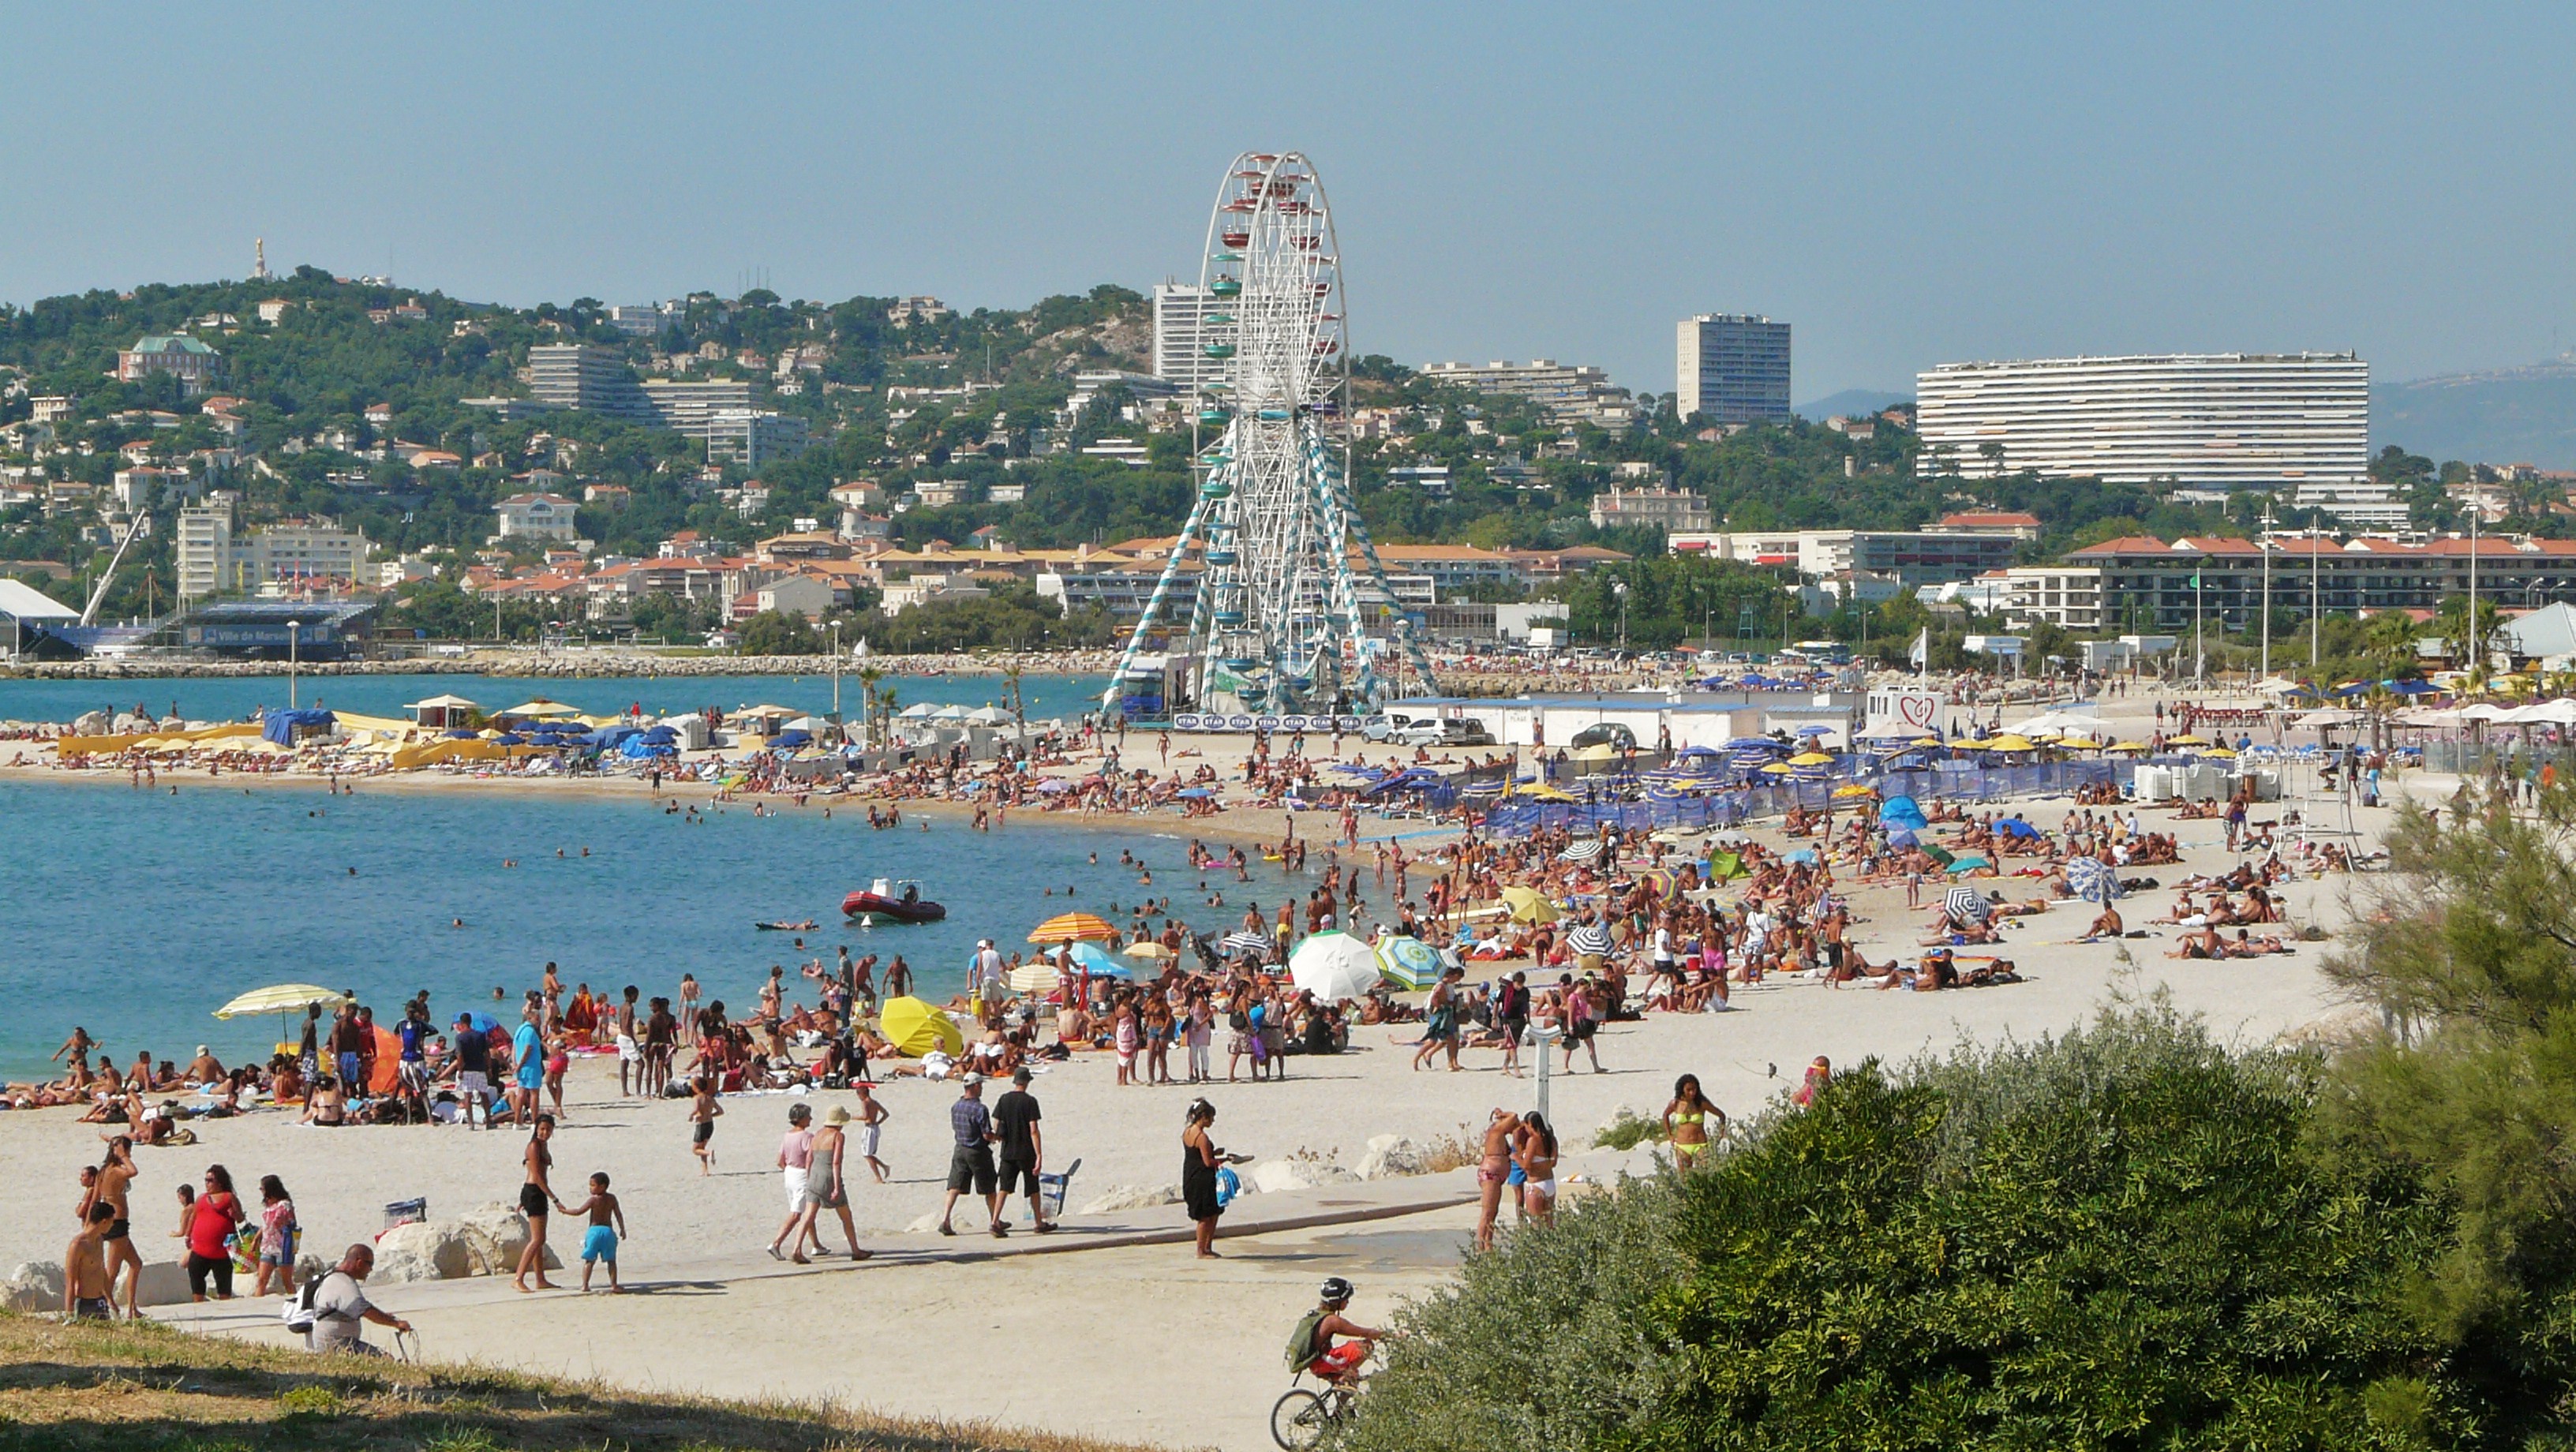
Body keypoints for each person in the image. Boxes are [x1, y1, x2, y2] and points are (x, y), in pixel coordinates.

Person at [305, 1243, 413, 1354]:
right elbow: (365, 1309)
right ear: (360, 1263)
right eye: (370, 1264)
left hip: (340, 1341)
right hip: (337, 1343)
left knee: (383, 1357)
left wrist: (385, 1317)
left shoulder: (337, 1278)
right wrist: (396, 1323)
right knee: (385, 1359)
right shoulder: (342, 1282)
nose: (371, 1269)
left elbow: (357, 1309)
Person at [797, 1107, 871, 1263]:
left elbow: (809, 1159)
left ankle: (797, 1249)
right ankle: (856, 1250)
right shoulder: (838, 1136)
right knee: (846, 1217)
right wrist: (837, 1187)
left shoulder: (817, 1134)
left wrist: (809, 1178)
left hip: (814, 1177)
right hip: (828, 1178)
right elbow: (836, 1162)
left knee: (808, 1216)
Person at [938, 1076, 1007, 1238]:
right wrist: (997, 1137)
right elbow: (986, 1135)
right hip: (977, 1151)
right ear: (975, 1086)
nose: (981, 1088)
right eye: (980, 1085)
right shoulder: (980, 1109)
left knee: (954, 1186)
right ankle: (995, 1221)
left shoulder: (956, 1106)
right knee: (989, 1188)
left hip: (960, 1148)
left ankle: (946, 1219)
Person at [992, 1067, 1058, 1233]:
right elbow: (1033, 1130)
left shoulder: (1004, 1099)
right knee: (1033, 1188)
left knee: (1004, 1188)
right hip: (1026, 1152)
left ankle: (995, 1221)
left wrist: (1000, 1137)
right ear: (1027, 1082)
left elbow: (996, 1124)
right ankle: (1039, 1223)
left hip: (1008, 1152)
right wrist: (1039, 1155)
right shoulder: (1030, 1101)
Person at [1287, 1277, 1383, 1387]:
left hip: (1317, 1363)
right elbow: (1365, 1333)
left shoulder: (1318, 1314)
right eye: (1346, 1299)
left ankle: (1343, 1391)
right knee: (1366, 1346)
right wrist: (1390, 1336)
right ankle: (1345, 1376)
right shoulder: (1332, 1321)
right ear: (1337, 1301)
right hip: (1322, 1363)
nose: (1347, 1302)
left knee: (1352, 1382)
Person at [88, 1138, 141, 1319]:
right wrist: (123, 1156)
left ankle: (132, 1308)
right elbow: (133, 1171)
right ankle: (104, 1306)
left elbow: (95, 1199)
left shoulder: (103, 1171)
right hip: (117, 1222)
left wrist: (90, 1222)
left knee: (136, 1264)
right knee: (112, 1271)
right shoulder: (116, 1170)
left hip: (113, 1222)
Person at [1181, 1097, 1238, 1259]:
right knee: (1206, 1216)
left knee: (1211, 1214)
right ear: (1203, 1117)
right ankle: (1202, 1250)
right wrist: (1226, 1159)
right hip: (1203, 1179)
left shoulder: (1187, 1132)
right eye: (1211, 1118)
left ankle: (1207, 1249)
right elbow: (1207, 1162)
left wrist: (1214, 1152)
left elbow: (1196, 1154)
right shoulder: (1202, 1137)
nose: (1213, 1121)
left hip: (1191, 1175)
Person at [515, 1115, 564, 1293]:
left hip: (536, 1192)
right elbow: (536, 1176)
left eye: (549, 1130)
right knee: (537, 1239)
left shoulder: (543, 1145)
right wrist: (554, 1198)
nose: (545, 1133)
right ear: (536, 1128)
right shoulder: (534, 1146)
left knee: (540, 1239)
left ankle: (540, 1279)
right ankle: (518, 1278)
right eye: (542, 1129)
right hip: (534, 1191)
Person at [184, 1165, 245, 1301]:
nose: (207, 1184)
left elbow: (241, 1219)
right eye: (206, 1180)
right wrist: (188, 1235)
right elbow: (193, 1217)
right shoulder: (201, 1198)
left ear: (220, 1182)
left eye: (210, 1180)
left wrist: (235, 1215)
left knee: (224, 1291)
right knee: (197, 1286)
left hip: (222, 1252)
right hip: (199, 1250)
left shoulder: (229, 1197)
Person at [766, 1103, 818, 1261]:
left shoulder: (787, 1135)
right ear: (801, 1119)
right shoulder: (807, 1137)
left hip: (789, 1173)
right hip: (802, 1174)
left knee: (806, 1210)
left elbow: (780, 1160)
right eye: (808, 1116)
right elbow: (811, 1159)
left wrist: (789, 1171)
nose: (811, 1119)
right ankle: (776, 1243)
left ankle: (817, 1245)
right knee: (797, 1213)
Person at [1473, 1108, 1523, 1252]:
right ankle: (1480, 1248)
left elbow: (1517, 1122)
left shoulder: (1500, 1135)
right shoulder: (1496, 1131)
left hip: (1496, 1175)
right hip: (1490, 1174)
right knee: (1487, 1213)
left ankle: (1488, 1243)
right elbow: (1514, 1116)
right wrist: (1502, 1115)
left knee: (1493, 1212)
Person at [568, 1173, 627, 1293]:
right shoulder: (612, 1198)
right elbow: (618, 1214)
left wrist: (564, 1211)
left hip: (594, 1231)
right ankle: (614, 1285)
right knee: (611, 1260)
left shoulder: (593, 1200)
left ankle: (585, 1285)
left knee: (589, 1260)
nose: (590, 1188)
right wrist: (622, 1229)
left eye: (593, 1185)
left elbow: (579, 1211)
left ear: (602, 1186)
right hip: (608, 1231)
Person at [65, 1203, 117, 1319]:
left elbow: (101, 1270)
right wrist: (69, 1313)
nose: (113, 1225)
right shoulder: (78, 1245)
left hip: (100, 1300)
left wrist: (110, 1300)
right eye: (111, 1221)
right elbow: (70, 1281)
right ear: (104, 1222)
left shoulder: (99, 1240)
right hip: (84, 1302)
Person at [254, 1175, 299, 1297]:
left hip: (283, 1247)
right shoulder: (269, 1206)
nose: (261, 1190)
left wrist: (283, 1224)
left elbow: (292, 1224)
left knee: (287, 1282)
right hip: (267, 1247)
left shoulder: (284, 1205)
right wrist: (256, 1239)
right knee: (261, 1280)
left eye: (263, 1188)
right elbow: (266, 1225)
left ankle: (296, 1301)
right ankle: (257, 1303)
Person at [1664, 1074, 1720, 1172]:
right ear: (1682, 1090)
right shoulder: (1676, 1103)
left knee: (1704, 1174)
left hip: (1700, 1145)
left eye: (1694, 1089)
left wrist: (1719, 1135)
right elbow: (1665, 1116)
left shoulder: (1702, 1104)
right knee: (1684, 1177)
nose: (1692, 1092)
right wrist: (1670, 1135)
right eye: (1689, 1090)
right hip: (1682, 1145)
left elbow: (1721, 1115)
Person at [1515, 1112, 1559, 1226]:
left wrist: (1515, 1157)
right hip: (1549, 1182)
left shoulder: (1533, 1140)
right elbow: (1553, 1163)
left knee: (1536, 1224)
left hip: (1536, 1185)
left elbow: (1526, 1165)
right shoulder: (1552, 1140)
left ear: (1530, 1124)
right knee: (1549, 1223)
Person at [451, 1013, 491, 1130]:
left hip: (467, 1069)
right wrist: (488, 1068)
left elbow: (459, 1055)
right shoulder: (480, 1035)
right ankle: (489, 1122)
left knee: (468, 1096)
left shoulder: (460, 1038)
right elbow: (486, 1053)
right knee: (484, 1095)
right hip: (480, 1068)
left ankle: (471, 1123)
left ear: (461, 1024)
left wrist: (460, 1070)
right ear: (470, 1021)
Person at [852, 1082, 891, 1183]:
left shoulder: (865, 1102)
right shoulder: (874, 1102)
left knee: (867, 1154)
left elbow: (865, 1116)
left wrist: (852, 1117)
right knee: (868, 1154)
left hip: (869, 1129)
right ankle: (884, 1167)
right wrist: (878, 1122)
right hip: (875, 1128)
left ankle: (879, 1177)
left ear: (861, 1094)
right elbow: (886, 1114)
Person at [687, 1076, 721, 1173]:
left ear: (696, 1087)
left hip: (701, 1125)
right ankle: (705, 1170)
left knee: (695, 1150)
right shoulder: (710, 1098)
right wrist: (711, 1115)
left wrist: (691, 1116)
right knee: (702, 1147)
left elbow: (696, 1109)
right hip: (710, 1125)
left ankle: (709, 1153)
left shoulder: (697, 1098)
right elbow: (720, 1111)